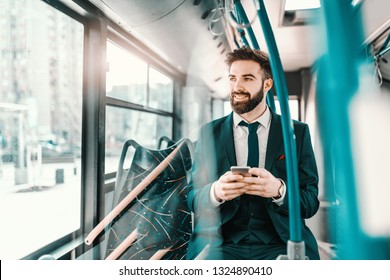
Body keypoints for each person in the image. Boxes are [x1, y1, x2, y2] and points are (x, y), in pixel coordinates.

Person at [186, 47, 320, 260]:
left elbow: (311, 202)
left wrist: (279, 190)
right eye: (232, 78)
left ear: (267, 84)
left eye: (247, 78)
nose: (237, 87)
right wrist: (215, 192)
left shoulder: (297, 132)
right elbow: (192, 198)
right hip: (221, 243)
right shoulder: (208, 133)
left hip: (280, 242)